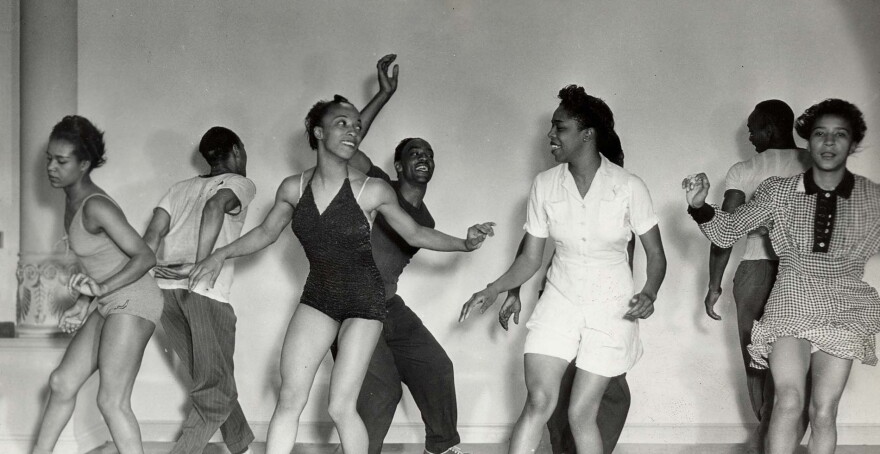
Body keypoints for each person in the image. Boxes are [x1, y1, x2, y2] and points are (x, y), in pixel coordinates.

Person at [188, 77, 495, 454]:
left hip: (365, 301)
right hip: (319, 296)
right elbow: (265, 234)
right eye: (342, 124)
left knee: (340, 406)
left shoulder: (372, 190)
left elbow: (415, 233)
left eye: (356, 126)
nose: (352, 131)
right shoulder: (292, 188)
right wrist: (218, 254)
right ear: (317, 132)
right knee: (289, 399)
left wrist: (465, 244)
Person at [460, 85, 667, 454]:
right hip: (560, 301)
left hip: (612, 306)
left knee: (581, 413)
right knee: (538, 402)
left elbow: (656, 255)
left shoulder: (628, 187)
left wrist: (649, 292)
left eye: (560, 128)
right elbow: (530, 258)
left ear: (587, 135)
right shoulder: (544, 185)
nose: (550, 136)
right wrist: (493, 289)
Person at [683, 98, 880, 454]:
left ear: (851, 143)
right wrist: (699, 208)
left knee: (823, 412)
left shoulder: (868, 198)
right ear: (809, 140)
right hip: (792, 298)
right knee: (787, 400)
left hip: (845, 307)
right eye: (821, 134)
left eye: (840, 135)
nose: (829, 143)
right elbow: (728, 230)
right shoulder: (779, 190)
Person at [333, 54, 468, 454]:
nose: (423, 157)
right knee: (382, 391)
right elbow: (345, 147)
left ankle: (441, 446)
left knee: (436, 366)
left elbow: (427, 236)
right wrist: (383, 95)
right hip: (351, 305)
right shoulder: (375, 183)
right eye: (414, 153)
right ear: (398, 165)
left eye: (428, 153)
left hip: (388, 305)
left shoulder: (424, 216)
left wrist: (467, 241)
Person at [496, 135, 633, 454]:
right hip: (564, 301)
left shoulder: (621, 200)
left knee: (603, 394)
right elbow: (531, 244)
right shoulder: (561, 192)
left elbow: (629, 258)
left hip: (605, 307)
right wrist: (513, 290)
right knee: (554, 393)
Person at [33, 115, 162, 454]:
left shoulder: (96, 206)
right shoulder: (70, 199)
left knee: (111, 401)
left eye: (61, 161)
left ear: (84, 164)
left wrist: (101, 292)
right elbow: (100, 263)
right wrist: (81, 302)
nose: (51, 167)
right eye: (49, 158)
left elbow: (145, 257)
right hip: (110, 300)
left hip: (134, 299)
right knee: (61, 382)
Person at [703, 100, 811, 448]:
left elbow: (725, 230)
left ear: (770, 128)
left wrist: (713, 283)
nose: (750, 136)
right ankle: (786, 441)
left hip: (756, 270)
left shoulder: (744, 170)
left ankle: (767, 437)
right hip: (804, 273)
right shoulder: (816, 163)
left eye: (753, 129)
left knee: (757, 357)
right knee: (801, 357)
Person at [141, 127, 256, 454]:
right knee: (216, 389)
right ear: (235, 150)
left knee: (213, 380)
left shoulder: (179, 189)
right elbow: (214, 206)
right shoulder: (239, 183)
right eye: (243, 151)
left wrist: (146, 270)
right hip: (205, 292)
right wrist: (202, 262)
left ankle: (241, 447)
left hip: (166, 294)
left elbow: (152, 236)